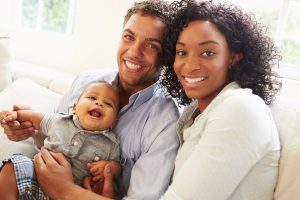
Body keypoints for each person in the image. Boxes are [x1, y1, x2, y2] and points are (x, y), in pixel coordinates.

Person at [0, 0, 180, 199]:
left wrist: (66, 191)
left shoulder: (166, 121)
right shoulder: (86, 81)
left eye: (151, 45)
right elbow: (56, 136)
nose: (134, 52)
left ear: (167, 55)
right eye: (129, 37)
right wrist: (30, 131)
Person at [158, 0, 282, 199]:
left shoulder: (240, 109)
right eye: (182, 52)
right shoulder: (198, 111)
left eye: (208, 53)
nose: (189, 66)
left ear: (233, 58)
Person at [0, 82, 121, 199]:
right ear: (74, 107)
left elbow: (118, 167)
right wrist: (14, 115)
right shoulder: (59, 121)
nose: (99, 103)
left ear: (113, 123)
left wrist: (111, 167)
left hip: (75, 193)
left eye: (108, 104)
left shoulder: (111, 143)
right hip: (36, 179)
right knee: (14, 165)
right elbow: (32, 117)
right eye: (92, 97)